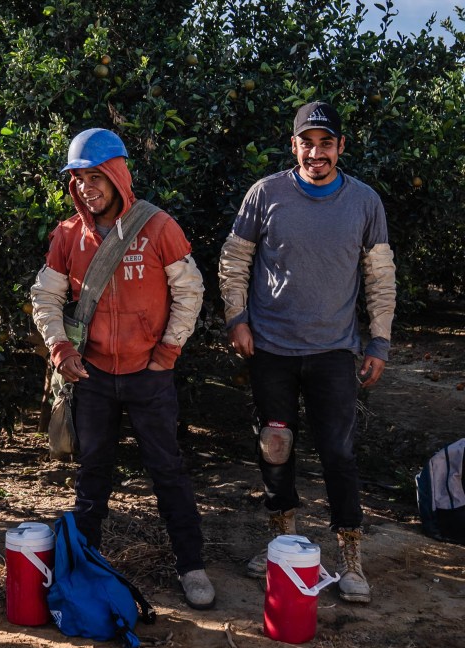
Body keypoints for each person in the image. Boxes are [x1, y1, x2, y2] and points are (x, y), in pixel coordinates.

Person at [218, 102, 396, 603]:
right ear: (293, 145)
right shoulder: (266, 194)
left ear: (340, 147)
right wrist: (237, 318)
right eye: (307, 142)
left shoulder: (365, 202)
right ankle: (280, 540)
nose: (316, 152)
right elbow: (235, 258)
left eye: (326, 143)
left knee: (338, 452)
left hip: (334, 350)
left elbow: (379, 277)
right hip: (272, 346)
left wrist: (378, 340)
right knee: (276, 446)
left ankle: (350, 555)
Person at [30, 128, 214, 609]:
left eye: (96, 177)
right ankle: (84, 564)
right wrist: (61, 349)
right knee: (93, 473)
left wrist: (167, 353)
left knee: (167, 471)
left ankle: (191, 566)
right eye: (78, 179)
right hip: (92, 378)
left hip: (148, 377)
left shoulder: (157, 226)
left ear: (117, 175)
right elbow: (45, 296)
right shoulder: (68, 235)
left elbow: (189, 291)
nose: (87, 188)